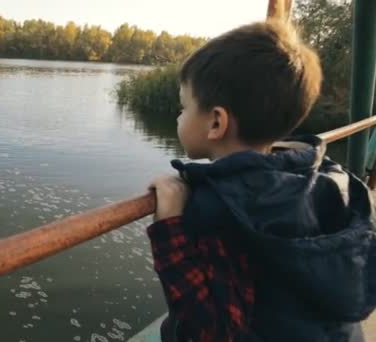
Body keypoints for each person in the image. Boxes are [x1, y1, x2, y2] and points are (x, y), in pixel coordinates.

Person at [147, 19, 376, 342]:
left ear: (216, 122)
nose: (178, 116)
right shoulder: (323, 179)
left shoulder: (219, 206)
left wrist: (170, 225)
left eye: (183, 107)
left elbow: (207, 328)